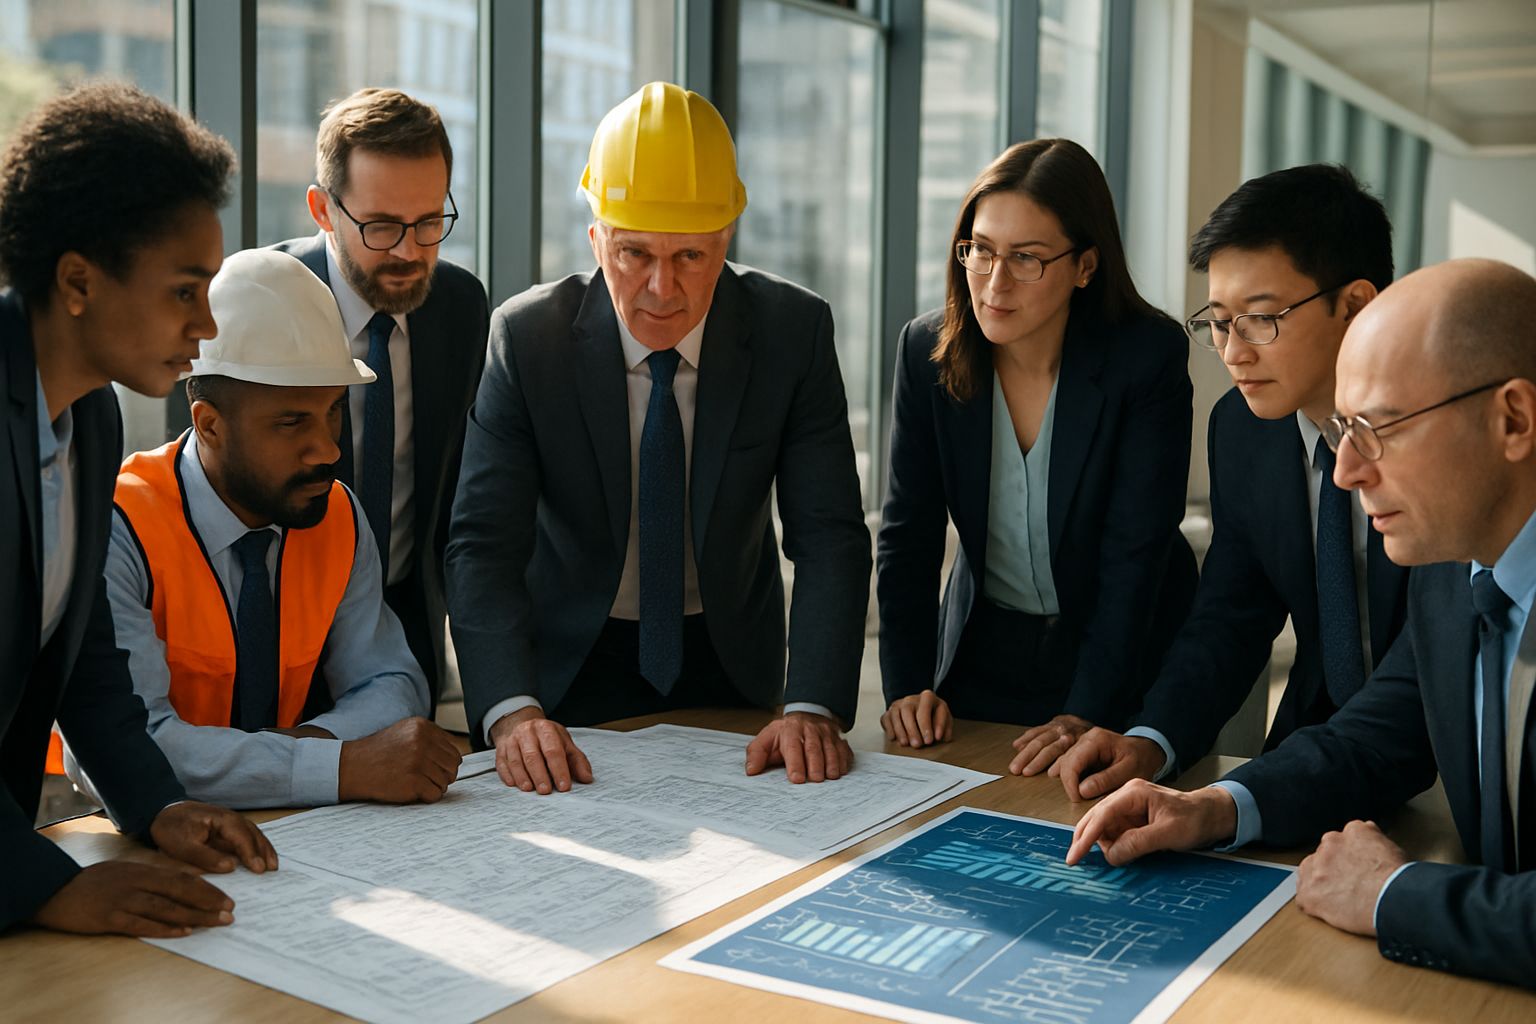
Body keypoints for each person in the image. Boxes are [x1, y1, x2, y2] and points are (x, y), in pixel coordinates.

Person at [1068, 258, 1536, 989]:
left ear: (1513, 419)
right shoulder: (1455, 568)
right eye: (1345, 429)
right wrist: (1213, 808)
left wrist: (1390, 893)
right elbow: (1381, 730)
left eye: (1380, 428)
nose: (1345, 471)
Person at [447, 82, 870, 793]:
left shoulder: (792, 334)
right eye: (634, 253)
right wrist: (511, 712)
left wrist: (813, 703)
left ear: (726, 240)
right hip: (566, 672)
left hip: (732, 662)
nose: (661, 288)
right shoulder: (527, 341)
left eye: (691, 259)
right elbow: (482, 543)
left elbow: (828, 534)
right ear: (595, 238)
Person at [0, 82, 275, 935]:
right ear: (78, 281)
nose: (206, 324)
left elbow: (79, 654)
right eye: (184, 290)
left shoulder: (90, 410)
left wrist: (157, 804)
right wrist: (49, 885)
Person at [1049, 164, 1409, 800]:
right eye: (1217, 320)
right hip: (1314, 747)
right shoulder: (1244, 430)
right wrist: (1152, 740)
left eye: (1262, 318)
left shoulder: (1437, 437)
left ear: (1354, 305)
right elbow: (1231, 615)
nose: (1234, 351)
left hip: (1462, 758)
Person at [68, 249, 461, 810]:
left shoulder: (337, 514)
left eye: (332, 411)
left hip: (291, 826)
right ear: (209, 426)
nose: (327, 448)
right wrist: (341, 765)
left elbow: (392, 682)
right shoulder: (120, 527)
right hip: (141, 830)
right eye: (291, 422)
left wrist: (313, 749)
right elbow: (130, 744)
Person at [875, 139, 1197, 774]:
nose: (994, 283)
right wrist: (907, 686)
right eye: (982, 250)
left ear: (1084, 266)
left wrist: (1088, 709)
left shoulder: (1146, 358)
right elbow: (907, 533)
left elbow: (1135, 555)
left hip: (1124, 650)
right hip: (985, 642)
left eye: (1026, 258)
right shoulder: (926, 351)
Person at [273, 87, 489, 709]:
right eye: (382, 226)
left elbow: (457, 496)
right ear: (322, 209)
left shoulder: (459, 306)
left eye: (429, 222)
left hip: (407, 628)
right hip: (280, 630)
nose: (408, 251)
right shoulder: (265, 301)